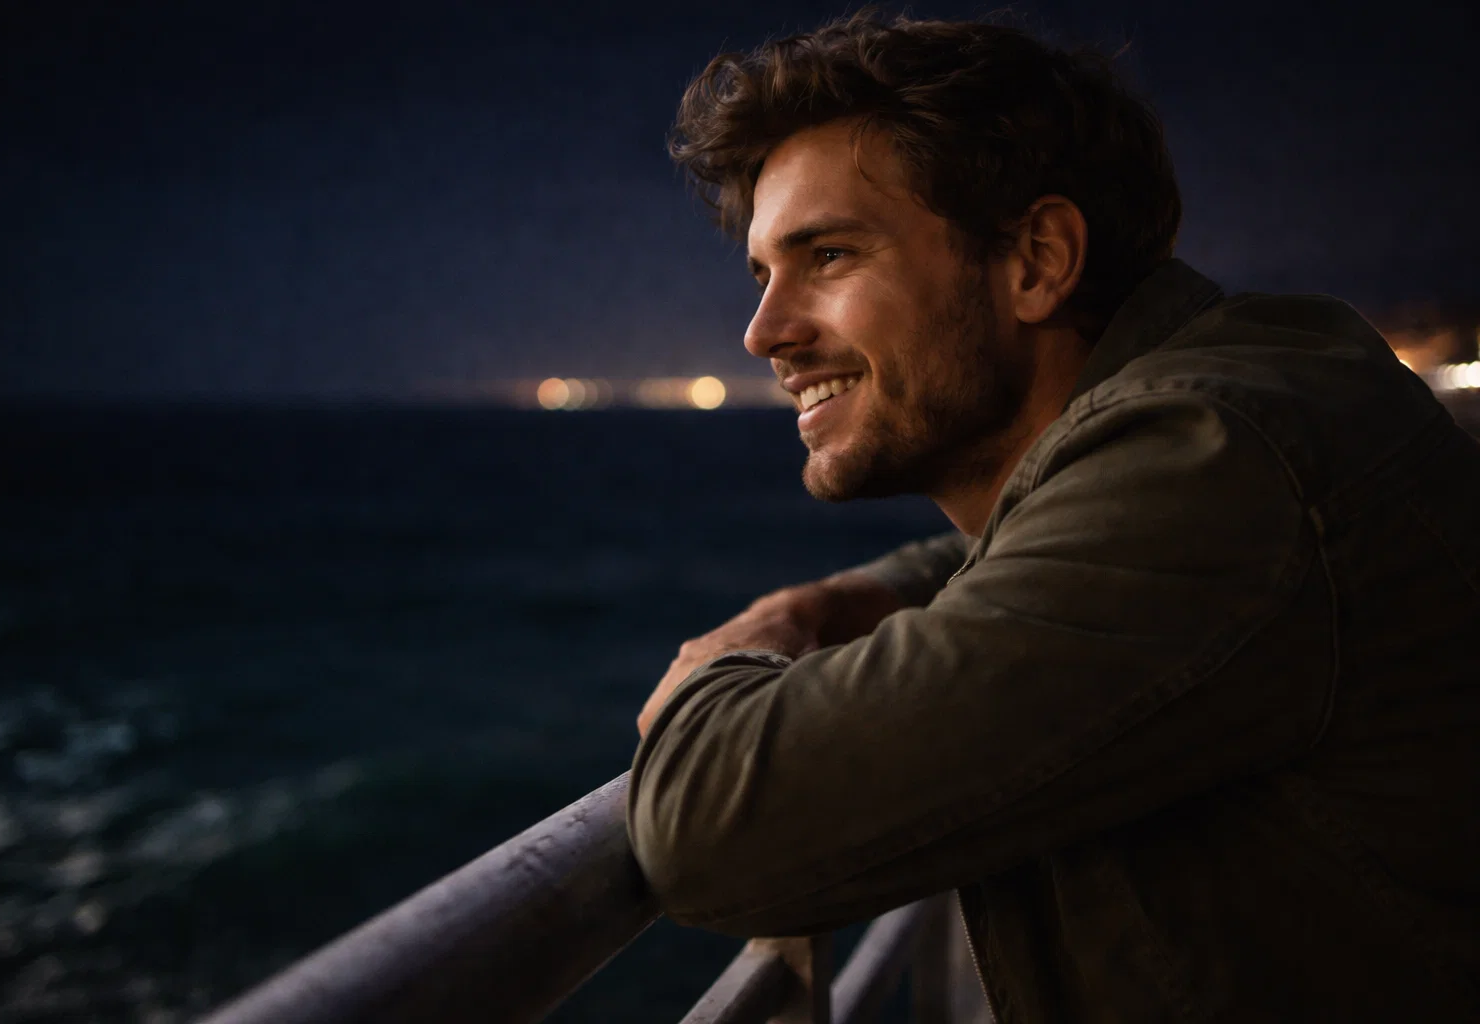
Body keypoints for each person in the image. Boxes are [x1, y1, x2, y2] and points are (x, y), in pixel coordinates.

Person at [625, 12, 1480, 1022]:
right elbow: (1041, 552)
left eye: (831, 256)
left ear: (1036, 259)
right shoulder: (1227, 410)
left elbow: (710, 829)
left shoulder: (1217, 463)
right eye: (766, 273)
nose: (765, 332)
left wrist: (726, 664)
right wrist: (839, 601)